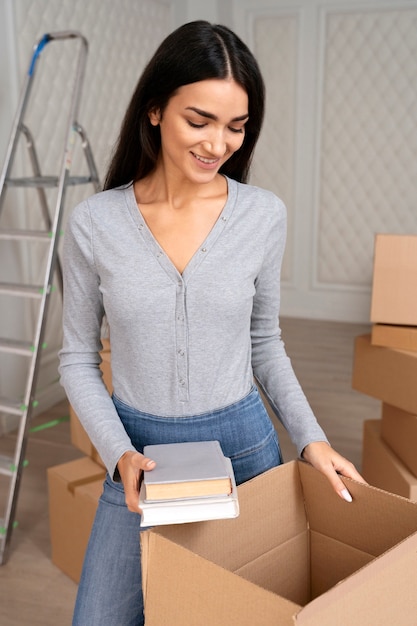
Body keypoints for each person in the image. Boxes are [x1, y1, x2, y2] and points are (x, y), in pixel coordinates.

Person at [59, 20, 365, 626]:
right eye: (198, 121)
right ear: (154, 110)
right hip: (138, 456)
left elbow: (265, 344)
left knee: (237, 614)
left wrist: (312, 439)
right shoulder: (95, 224)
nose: (218, 143)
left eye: (236, 126)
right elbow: (76, 359)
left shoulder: (262, 215)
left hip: (244, 447)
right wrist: (118, 452)